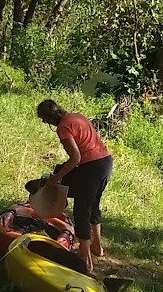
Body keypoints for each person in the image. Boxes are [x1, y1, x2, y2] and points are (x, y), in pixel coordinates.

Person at [36, 100, 113, 274]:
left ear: (49, 117)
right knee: (93, 204)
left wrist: (54, 179)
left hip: (91, 168)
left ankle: (86, 263)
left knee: (82, 210)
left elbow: (75, 158)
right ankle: (97, 247)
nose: (44, 122)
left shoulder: (63, 128)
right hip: (105, 162)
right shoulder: (77, 116)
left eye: (43, 119)